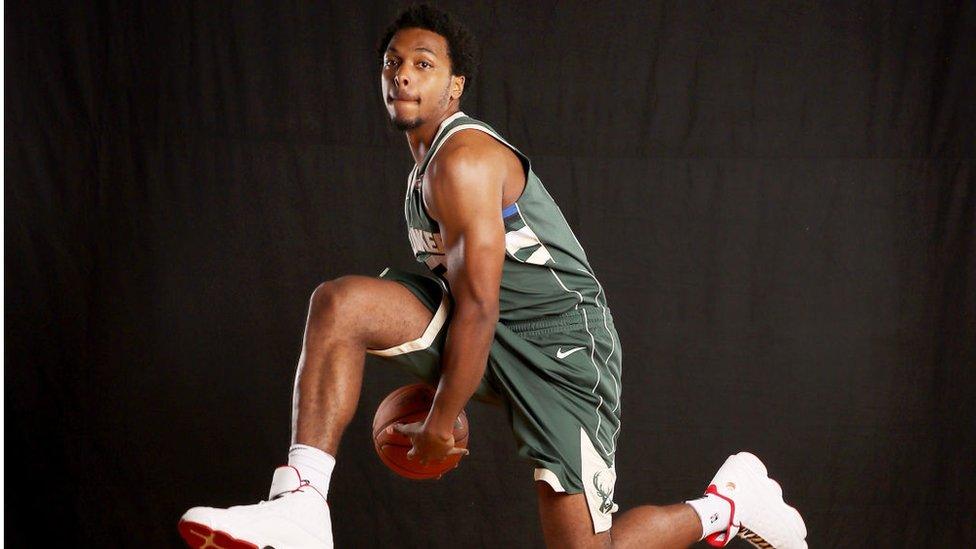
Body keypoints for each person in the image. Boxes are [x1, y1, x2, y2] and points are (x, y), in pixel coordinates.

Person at [179, 5, 808, 548]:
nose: (402, 73)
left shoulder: (465, 160)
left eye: (423, 63)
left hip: (563, 347)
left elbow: (479, 309)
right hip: (486, 322)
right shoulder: (421, 169)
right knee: (341, 305)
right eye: (392, 62)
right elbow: (472, 304)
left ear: (455, 86)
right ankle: (301, 506)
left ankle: (732, 504)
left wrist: (437, 422)